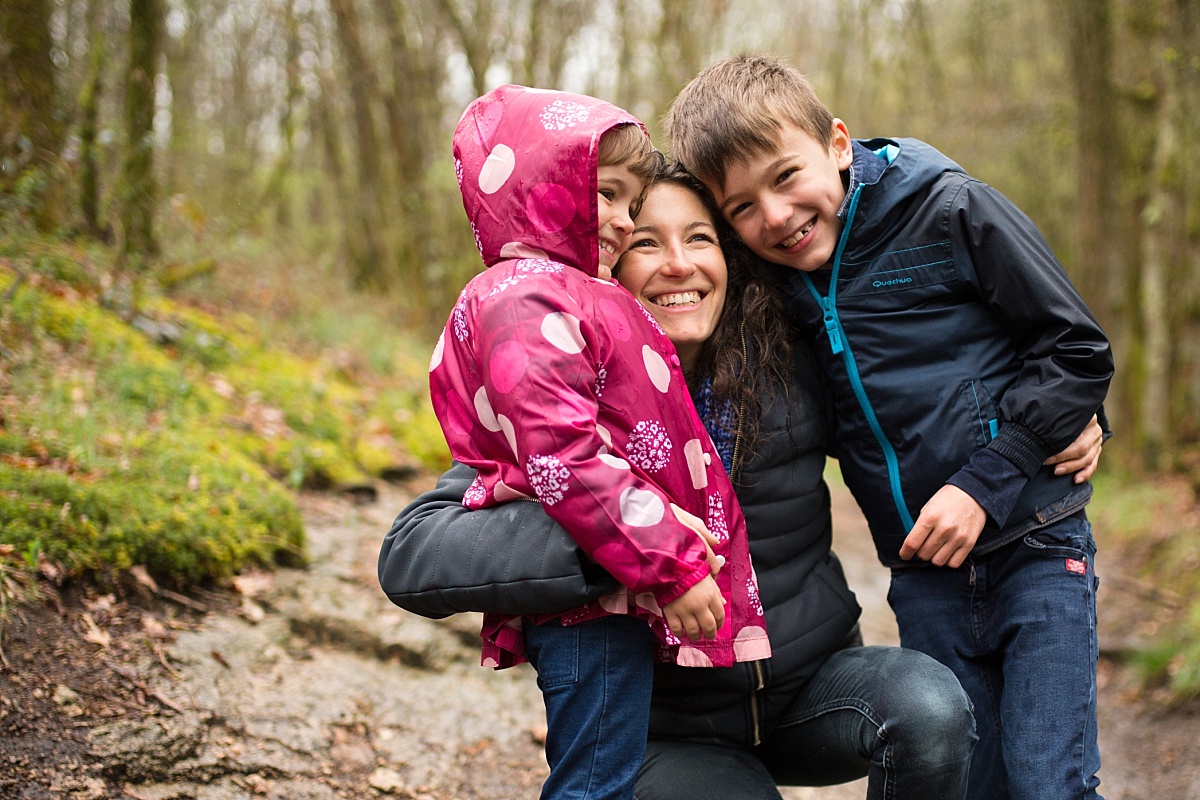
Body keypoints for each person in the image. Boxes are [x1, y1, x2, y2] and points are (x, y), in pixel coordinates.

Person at [382, 158, 1101, 798]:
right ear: (606, 272)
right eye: (644, 243)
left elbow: (923, 397)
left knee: (932, 712)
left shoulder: (785, 368)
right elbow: (413, 554)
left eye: (700, 238)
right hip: (672, 733)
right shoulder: (566, 410)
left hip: (809, 692)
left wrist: (1054, 421)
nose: (678, 264)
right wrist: (616, 542)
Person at [663, 55, 1115, 800]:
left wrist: (1013, 462)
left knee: (1048, 782)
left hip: (1034, 541)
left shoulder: (950, 209)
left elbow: (1072, 347)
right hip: (924, 570)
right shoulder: (771, 284)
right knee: (970, 779)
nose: (774, 216)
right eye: (740, 207)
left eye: (785, 176)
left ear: (838, 144)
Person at [430, 84, 770, 800]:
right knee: (594, 783)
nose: (620, 220)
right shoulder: (525, 298)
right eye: (606, 195)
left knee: (604, 775)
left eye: (629, 202)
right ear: (538, 189)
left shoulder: (567, 291)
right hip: (595, 605)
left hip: (617, 592)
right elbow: (563, 457)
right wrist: (673, 565)